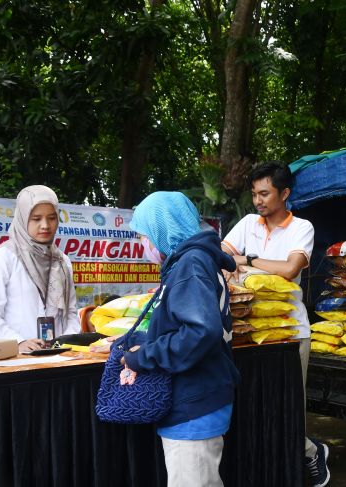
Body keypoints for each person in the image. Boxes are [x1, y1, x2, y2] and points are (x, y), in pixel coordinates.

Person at [220, 162, 329, 487]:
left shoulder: (302, 228)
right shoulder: (247, 223)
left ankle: (309, 454)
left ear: (284, 193)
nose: (258, 200)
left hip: (290, 331)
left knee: (290, 404)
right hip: (248, 329)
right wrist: (232, 265)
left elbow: (290, 268)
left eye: (265, 193)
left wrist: (247, 261)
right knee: (255, 403)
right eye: (254, 194)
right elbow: (221, 257)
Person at [120, 191, 239, 487]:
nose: (142, 243)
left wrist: (142, 357)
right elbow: (189, 325)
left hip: (194, 404)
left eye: (144, 234)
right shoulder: (192, 261)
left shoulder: (190, 264)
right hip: (196, 399)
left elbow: (200, 331)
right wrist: (145, 341)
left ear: (162, 228)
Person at [0, 185, 80, 353]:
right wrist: (18, 342)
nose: (45, 225)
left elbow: (71, 312)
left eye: (51, 218)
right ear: (22, 218)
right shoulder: (4, 257)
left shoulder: (62, 261)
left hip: (60, 359)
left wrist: (66, 342)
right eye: (36, 219)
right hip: (16, 361)